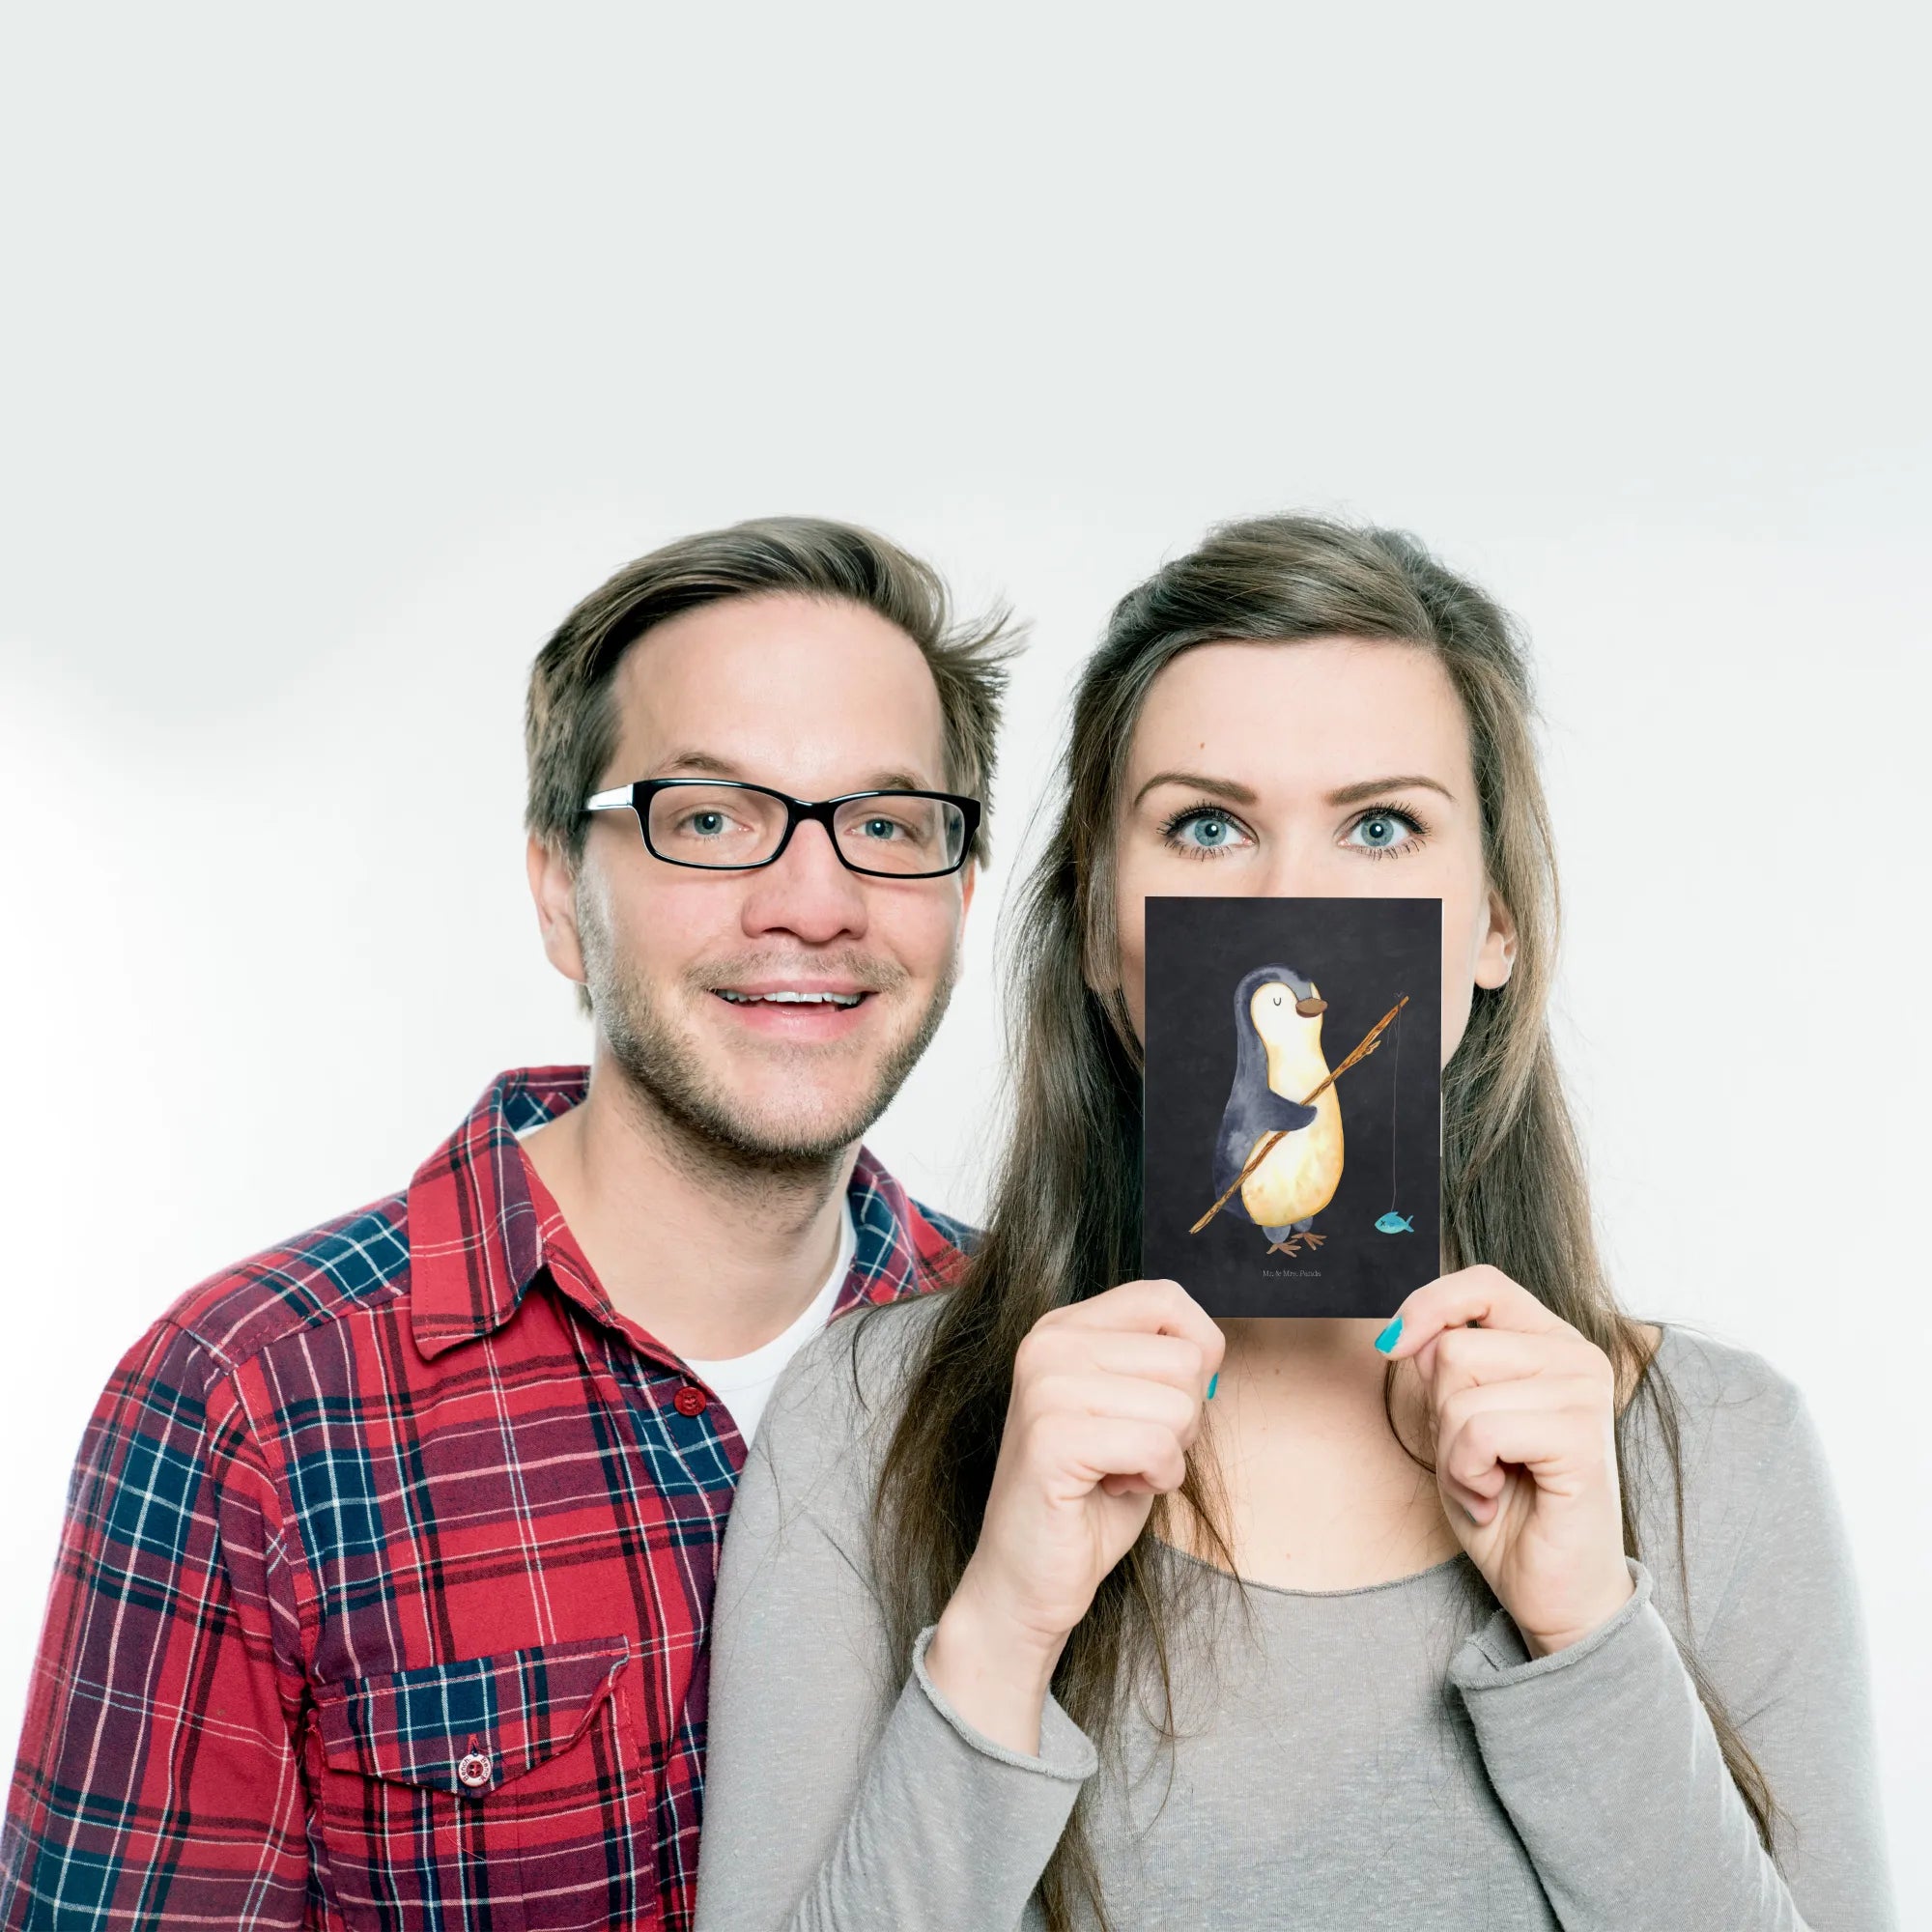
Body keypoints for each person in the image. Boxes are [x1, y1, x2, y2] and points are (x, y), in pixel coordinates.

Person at [694, 514, 1896, 1930]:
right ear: (1100, 926)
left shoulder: (1722, 1451)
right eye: (1207, 827)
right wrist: (1002, 1625)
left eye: (1381, 827)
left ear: (1494, 924)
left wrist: (1585, 1631)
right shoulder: (867, 1421)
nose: (1290, 901)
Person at [0, 517, 1014, 1930]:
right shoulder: (246, 1405)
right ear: (558, 895)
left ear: (959, 891)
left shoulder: (1031, 1348)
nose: (815, 902)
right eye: (710, 820)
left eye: (888, 827)